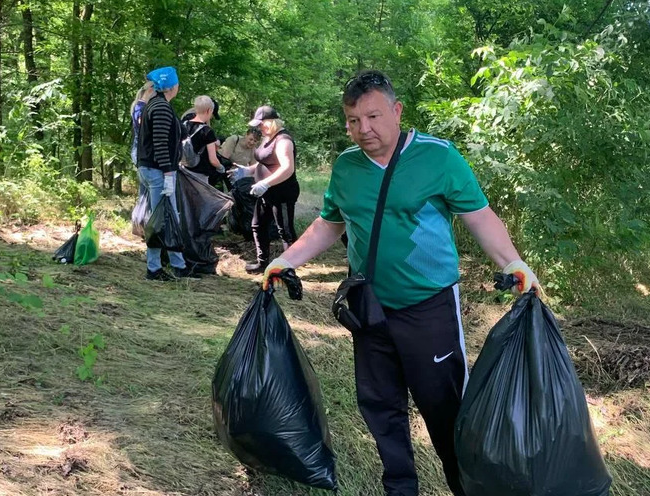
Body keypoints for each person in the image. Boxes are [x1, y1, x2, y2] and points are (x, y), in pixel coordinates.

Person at [260, 70, 541, 496]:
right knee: (380, 407)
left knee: (445, 409)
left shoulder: (439, 158)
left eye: (372, 117)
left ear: (396, 110)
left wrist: (514, 262)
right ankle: (400, 487)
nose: (363, 129)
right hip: (369, 307)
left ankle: (464, 487)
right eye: (353, 120)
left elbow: (479, 217)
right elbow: (328, 225)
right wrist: (286, 258)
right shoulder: (347, 166)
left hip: (429, 307)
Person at [136, 66, 197, 280]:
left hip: (151, 169)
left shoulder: (158, 104)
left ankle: (175, 264)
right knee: (162, 220)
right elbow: (160, 143)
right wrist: (169, 172)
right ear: (172, 86)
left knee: (164, 218)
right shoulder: (160, 107)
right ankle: (156, 268)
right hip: (157, 172)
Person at [243, 106, 301, 274]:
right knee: (258, 225)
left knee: (285, 230)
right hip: (266, 193)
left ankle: (290, 267)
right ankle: (262, 263)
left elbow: (287, 168)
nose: (259, 128)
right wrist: (248, 170)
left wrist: (265, 183)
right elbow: (265, 160)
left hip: (282, 192)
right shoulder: (268, 137)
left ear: (271, 122)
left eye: (261, 124)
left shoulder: (283, 140)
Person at [182, 95, 226, 187]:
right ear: (209, 110)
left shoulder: (184, 125)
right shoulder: (207, 131)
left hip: (183, 170)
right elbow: (213, 160)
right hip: (200, 174)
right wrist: (221, 168)